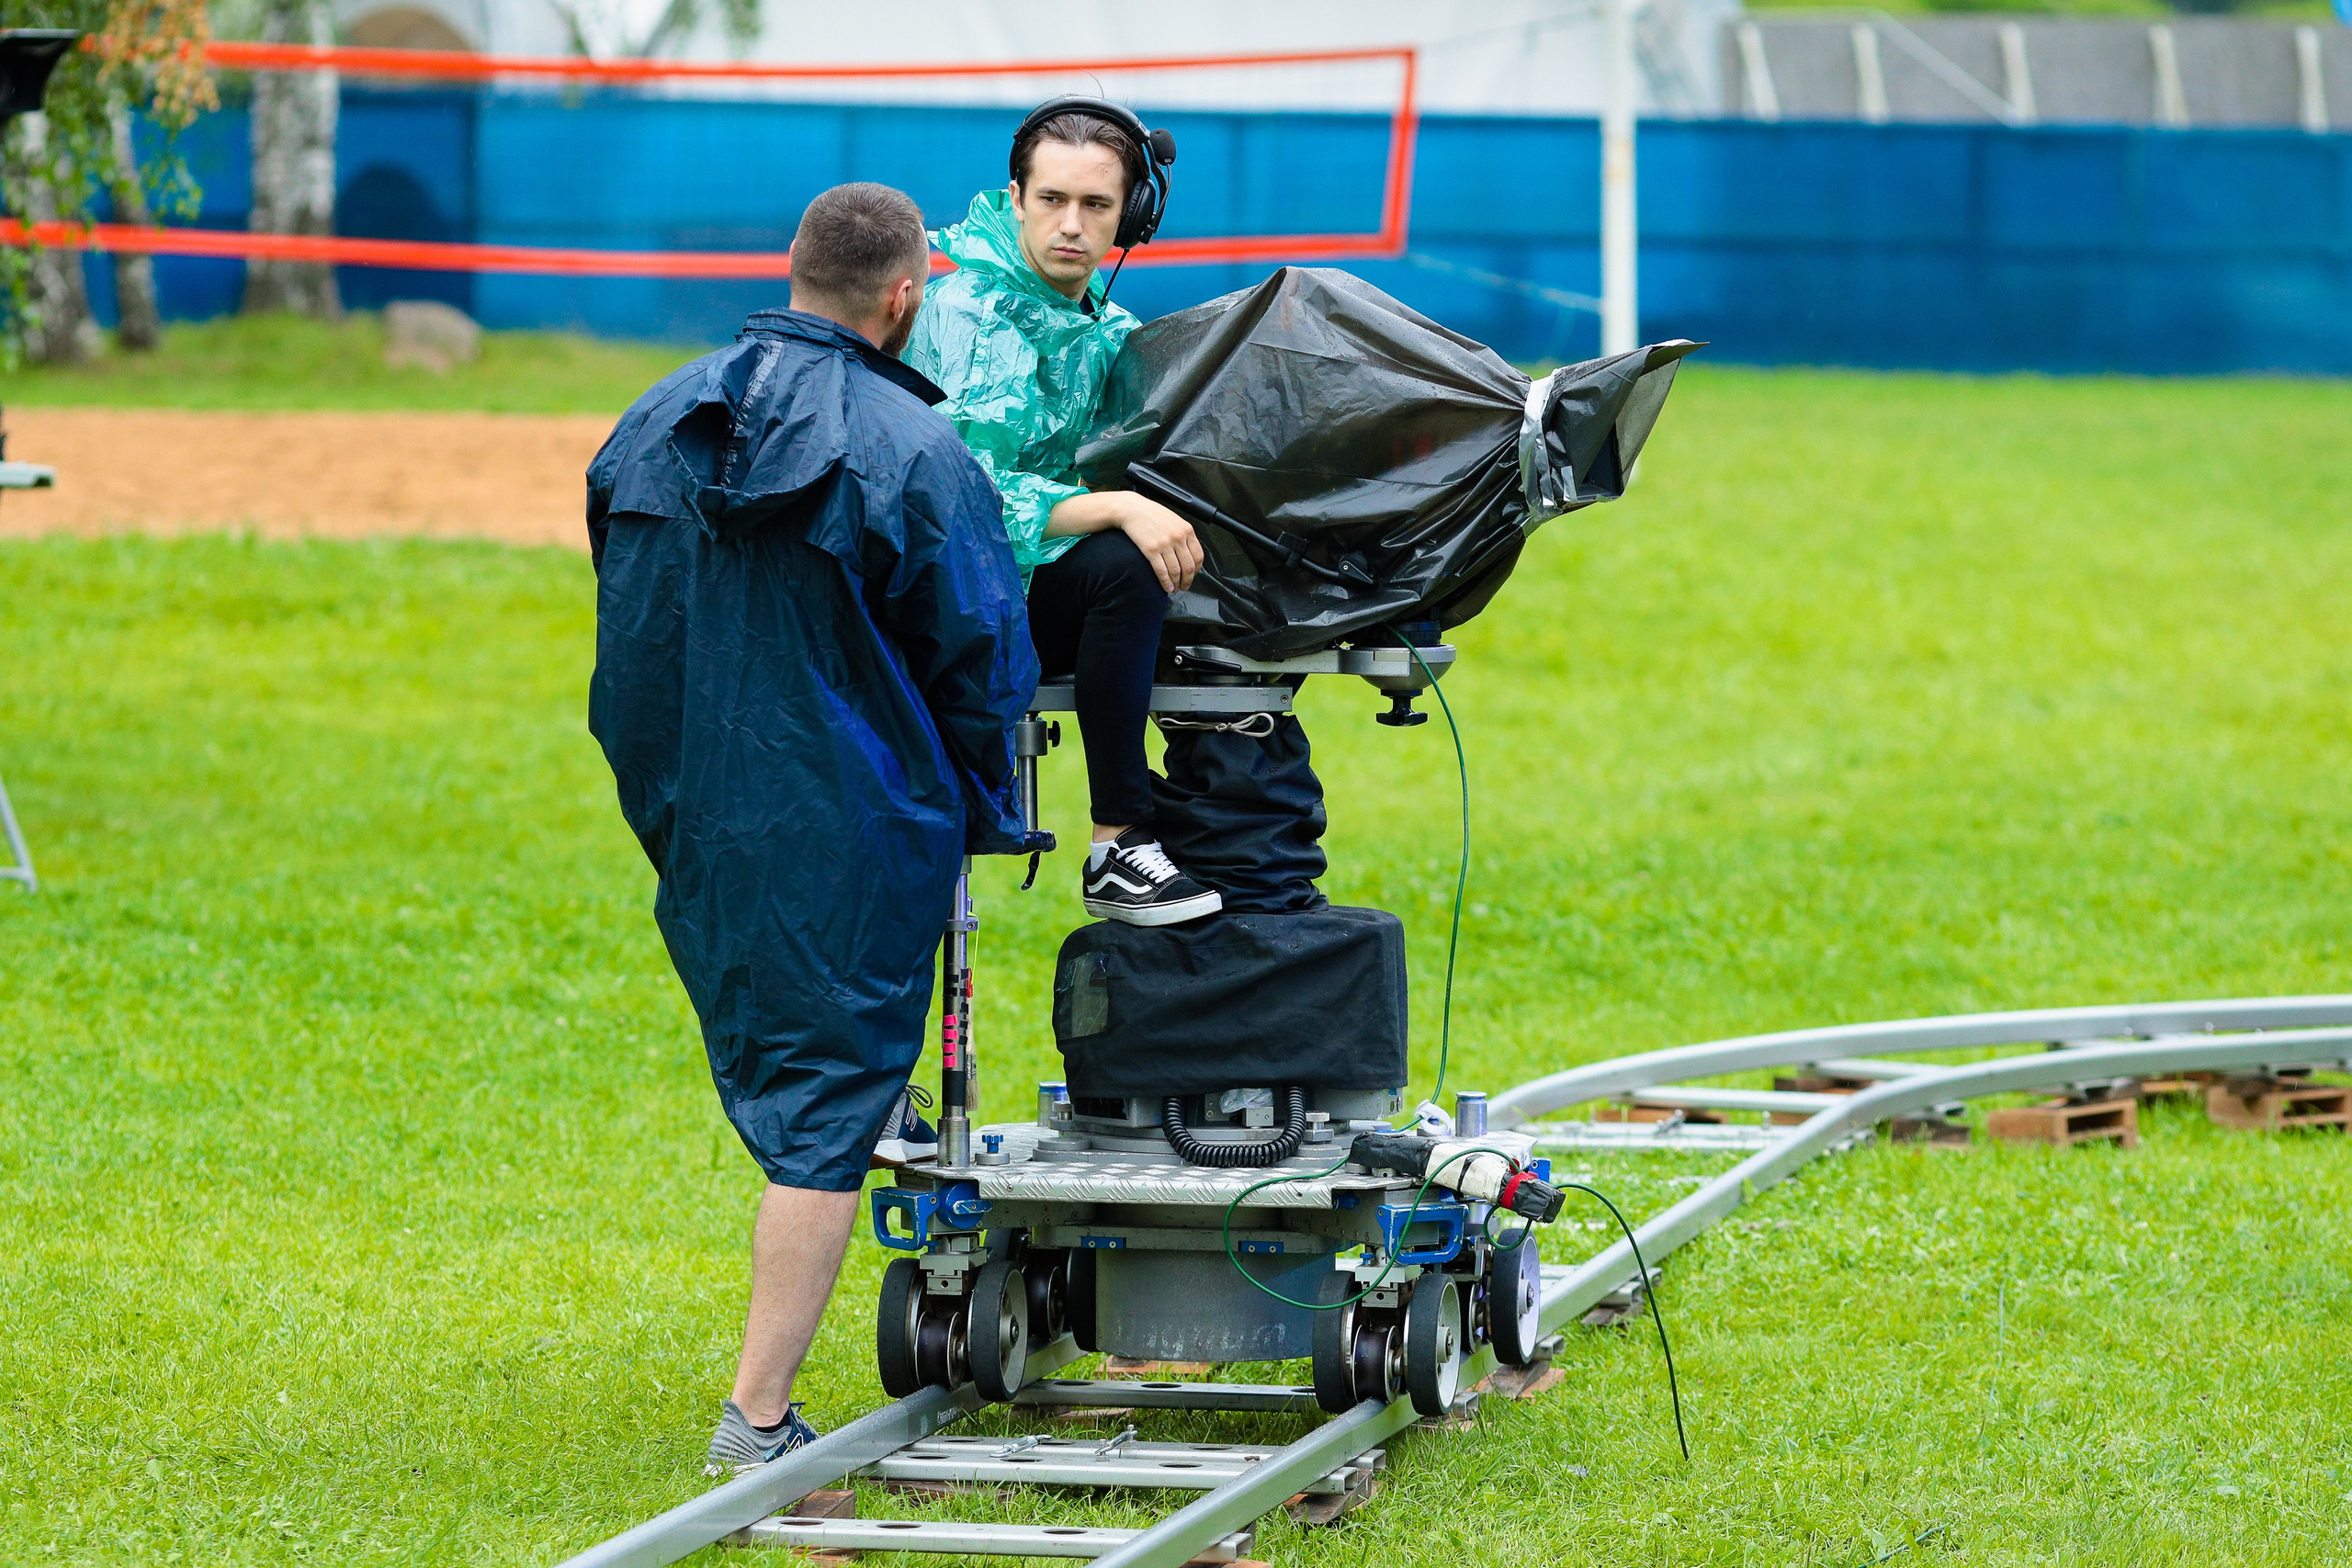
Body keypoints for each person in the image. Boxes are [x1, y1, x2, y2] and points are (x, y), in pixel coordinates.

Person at [585, 183, 1037, 1472]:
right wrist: (989, 815)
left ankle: (858, 1132)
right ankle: (758, 1418)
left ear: (791, 270)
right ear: (908, 296)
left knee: (810, 1069)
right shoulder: (918, 450)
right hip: (850, 818)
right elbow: (984, 665)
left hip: (695, 804)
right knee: (825, 1108)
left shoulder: (652, 420)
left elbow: (630, 619)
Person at [907, 98, 1222, 929]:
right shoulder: (966, 313)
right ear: (1015, 199)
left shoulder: (1110, 330)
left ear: (1133, 217)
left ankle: (1227, 821)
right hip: (945, 594)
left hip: (1032, 584)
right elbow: (958, 501)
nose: (1072, 225)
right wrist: (1116, 505)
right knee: (1126, 557)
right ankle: (1117, 843)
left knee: (1182, 544)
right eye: (1052, 201)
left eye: (1097, 205)